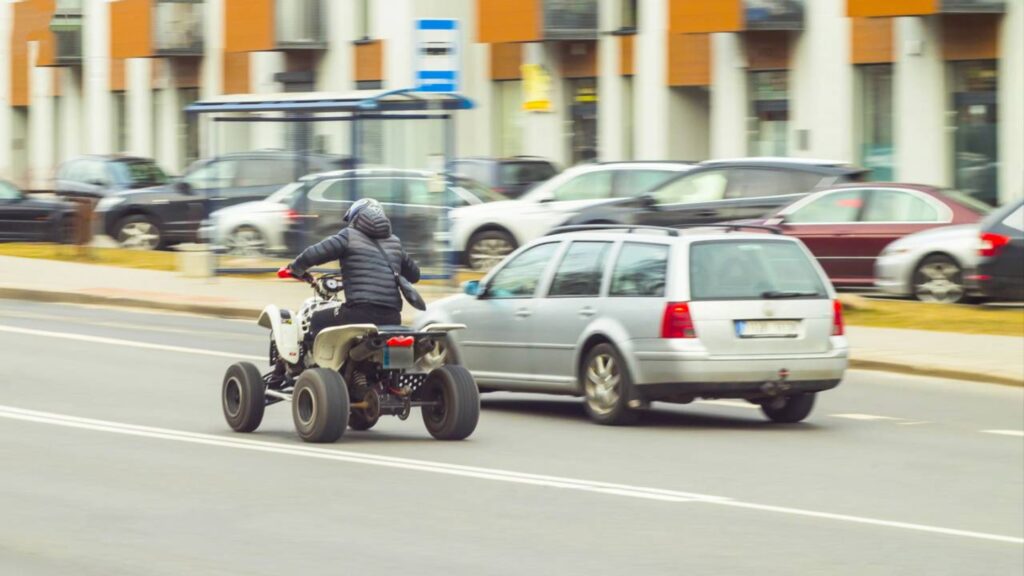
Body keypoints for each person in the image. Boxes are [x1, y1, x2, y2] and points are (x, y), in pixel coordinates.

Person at [286, 198, 420, 331]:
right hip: (392, 316)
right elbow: (414, 275)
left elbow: (315, 253)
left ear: (355, 218)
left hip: (358, 313)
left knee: (316, 319)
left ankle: (318, 353)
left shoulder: (349, 236)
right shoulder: (395, 242)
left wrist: (295, 268)